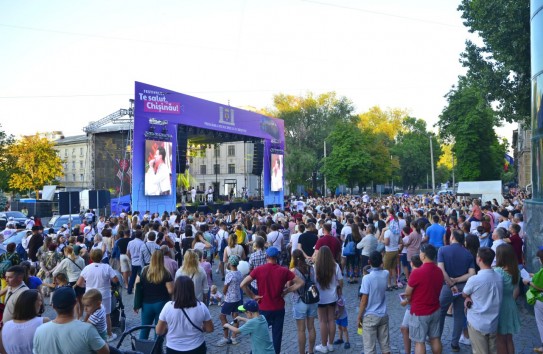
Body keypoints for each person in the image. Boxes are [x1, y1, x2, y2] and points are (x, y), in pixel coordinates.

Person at [241, 246, 304, 354]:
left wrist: (253, 296)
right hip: (278, 308)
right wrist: (287, 290)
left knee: (259, 333)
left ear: (267, 256)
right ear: (277, 257)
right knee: (277, 336)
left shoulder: (259, 270)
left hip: (263, 307)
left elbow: (243, 284)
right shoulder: (284, 271)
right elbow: (300, 282)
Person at [33, 287, 109, 354]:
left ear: (53, 306)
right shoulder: (88, 330)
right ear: (75, 303)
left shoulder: (39, 331)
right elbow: (105, 352)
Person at [437, 229, 476, 352]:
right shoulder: (468, 253)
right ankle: (455, 343)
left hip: (447, 287)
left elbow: (441, 270)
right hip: (463, 287)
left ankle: (436, 339)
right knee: (459, 314)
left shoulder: (443, 250)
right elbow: (472, 273)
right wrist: (457, 280)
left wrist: (450, 282)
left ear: (452, 237)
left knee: (441, 312)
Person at [156, 276, 214, 354]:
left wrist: (168, 328)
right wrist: (201, 327)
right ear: (192, 289)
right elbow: (210, 329)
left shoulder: (168, 307)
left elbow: (159, 331)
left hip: (173, 348)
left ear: (176, 289)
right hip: (196, 347)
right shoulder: (201, 306)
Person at [404, 244, 444, 354]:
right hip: (435, 308)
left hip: (420, 311)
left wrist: (408, 299)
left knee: (419, 342)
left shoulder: (417, 272)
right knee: (435, 338)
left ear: (424, 256)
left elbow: (408, 293)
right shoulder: (439, 271)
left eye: (421, 252)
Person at [463, 247, 503, 354]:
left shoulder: (475, 279)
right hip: (493, 321)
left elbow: (464, 293)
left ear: (479, 259)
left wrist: (467, 297)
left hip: (478, 322)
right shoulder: (499, 277)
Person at [76, 248, 120, 342]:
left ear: (91, 257)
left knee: (88, 312)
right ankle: (109, 334)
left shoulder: (87, 268)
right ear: (101, 257)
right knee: (107, 315)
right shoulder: (107, 267)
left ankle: (85, 330)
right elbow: (115, 280)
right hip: (104, 293)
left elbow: (79, 283)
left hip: (90, 293)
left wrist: (87, 285)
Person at [356, 251, 391, 354]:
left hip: (370, 315)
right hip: (383, 314)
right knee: (385, 347)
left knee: (370, 349)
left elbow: (364, 300)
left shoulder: (367, 278)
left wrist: (359, 316)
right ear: (381, 261)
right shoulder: (386, 274)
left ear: (369, 261)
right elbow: (383, 269)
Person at [136, 250, 174, 340]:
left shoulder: (143, 270)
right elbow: (170, 290)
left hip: (146, 303)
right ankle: (157, 350)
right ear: (162, 259)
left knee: (144, 329)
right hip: (161, 303)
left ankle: (141, 350)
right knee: (159, 329)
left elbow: (137, 285)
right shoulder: (165, 272)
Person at [314, 246, 343, 353]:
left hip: (320, 298)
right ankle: (330, 344)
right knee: (331, 320)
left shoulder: (315, 266)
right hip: (332, 297)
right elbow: (340, 281)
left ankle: (323, 345)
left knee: (322, 321)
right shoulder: (335, 266)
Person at [1, 289, 48, 353]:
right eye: (39, 300)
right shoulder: (43, 322)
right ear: (30, 303)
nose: (41, 303)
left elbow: (2, 350)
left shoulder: (5, 326)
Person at [494, 244, 520, 354]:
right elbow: (516, 290)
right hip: (511, 304)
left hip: (500, 306)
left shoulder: (498, 271)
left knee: (500, 340)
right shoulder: (516, 271)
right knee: (509, 339)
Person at [291, 249, 318, 354]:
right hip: (312, 299)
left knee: (301, 330)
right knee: (311, 327)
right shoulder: (311, 268)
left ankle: (301, 352)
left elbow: (290, 285)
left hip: (299, 300)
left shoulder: (293, 271)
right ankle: (311, 351)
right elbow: (314, 281)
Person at [217, 255, 244, 346]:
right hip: (238, 298)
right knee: (236, 317)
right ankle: (233, 337)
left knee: (222, 317)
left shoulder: (229, 275)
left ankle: (225, 338)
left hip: (230, 299)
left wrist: (224, 295)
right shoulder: (239, 273)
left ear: (229, 263)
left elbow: (225, 289)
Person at [54, 245, 86, 319]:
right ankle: (81, 316)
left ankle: (77, 318)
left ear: (66, 252)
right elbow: (84, 271)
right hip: (81, 281)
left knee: (76, 301)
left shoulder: (66, 260)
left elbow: (55, 272)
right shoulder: (81, 259)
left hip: (72, 282)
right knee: (81, 300)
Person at [524, 248, 543, 353]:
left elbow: (539, 287)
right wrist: (534, 275)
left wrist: (528, 282)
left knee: (541, 323)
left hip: (541, 300)